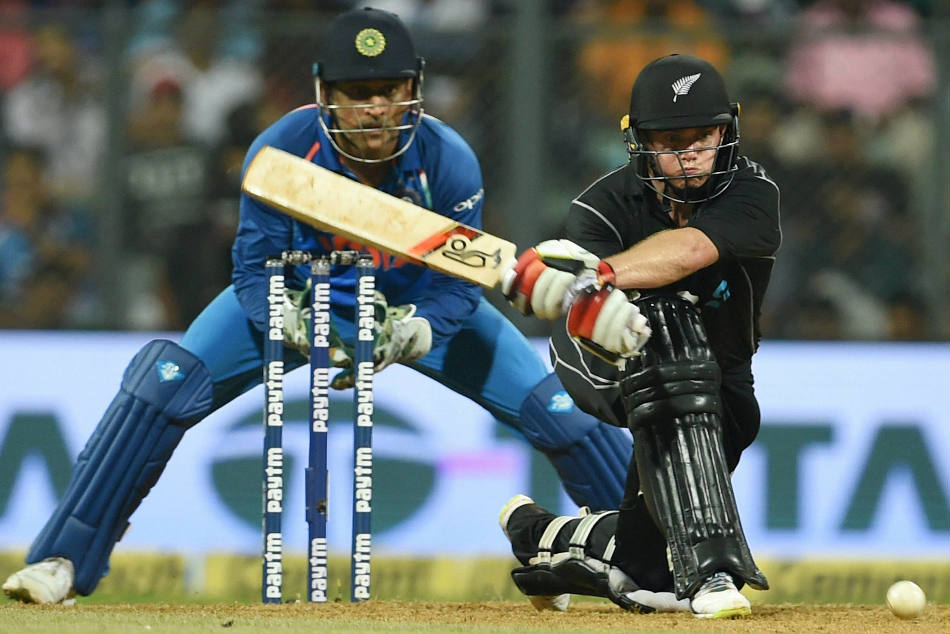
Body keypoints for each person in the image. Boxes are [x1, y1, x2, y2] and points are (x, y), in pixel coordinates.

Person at [1, 7, 632, 604]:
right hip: (300, 297)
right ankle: (62, 560)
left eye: (390, 90)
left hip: (414, 304)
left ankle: (652, 556)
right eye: (359, 93)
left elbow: (462, 282)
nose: (376, 109)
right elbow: (251, 270)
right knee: (160, 385)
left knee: (562, 410)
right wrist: (293, 322)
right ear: (324, 95)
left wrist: (418, 331)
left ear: (415, 90)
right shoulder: (280, 153)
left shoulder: (448, 161)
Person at [497, 53, 780, 618]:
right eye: (672, 140)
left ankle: (540, 533)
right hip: (599, 358)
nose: (691, 153)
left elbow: (693, 250)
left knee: (645, 572)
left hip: (722, 375)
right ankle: (712, 572)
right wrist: (555, 287)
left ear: (728, 128)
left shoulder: (755, 191)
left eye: (705, 136)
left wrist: (598, 273)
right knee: (669, 331)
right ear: (639, 141)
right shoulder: (600, 207)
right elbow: (581, 307)